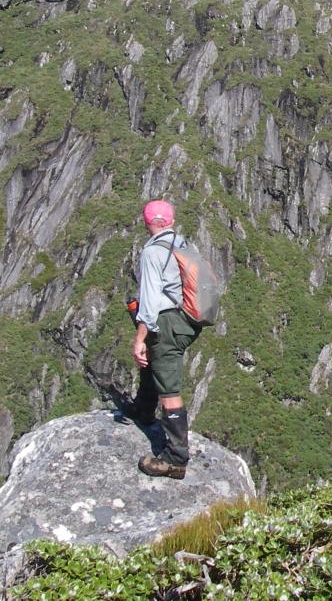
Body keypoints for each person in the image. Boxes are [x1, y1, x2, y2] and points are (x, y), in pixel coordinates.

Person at [125, 199, 201, 479]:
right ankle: (144, 409)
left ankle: (176, 458)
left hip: (169, 321)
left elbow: (150, 301)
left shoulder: (152, 252)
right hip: (189, 320)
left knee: (169, 388)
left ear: (148, 223)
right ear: (170, 221)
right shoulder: (182, 244)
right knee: (154, 358)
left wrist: (139, 337)